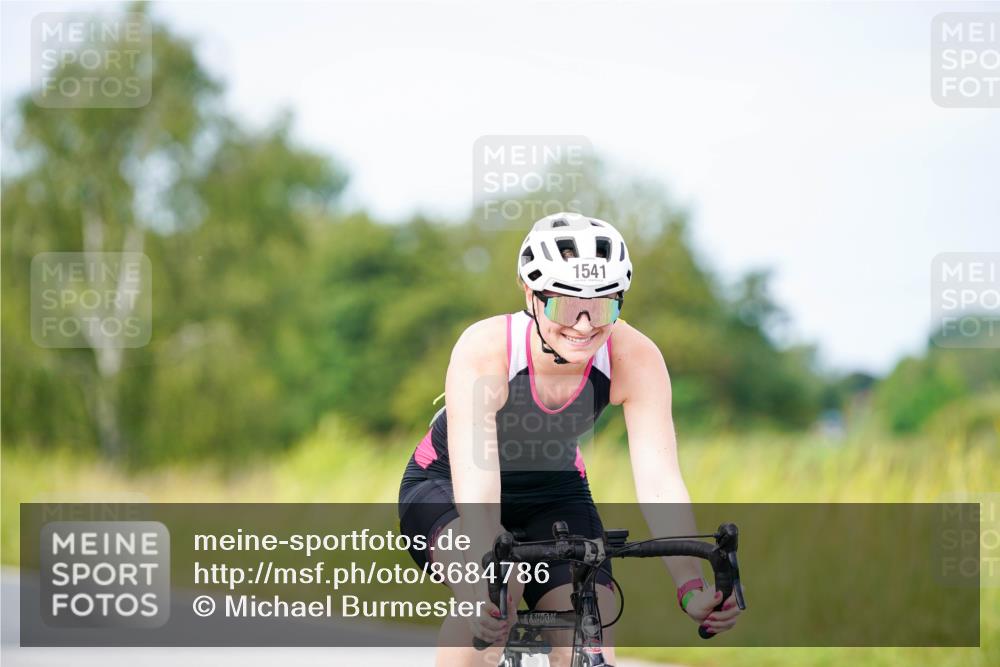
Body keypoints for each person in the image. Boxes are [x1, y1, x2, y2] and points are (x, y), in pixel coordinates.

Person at [398, 212, 741, 665]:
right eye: (565, 306)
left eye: (601, 307)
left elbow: (659, 480)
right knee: (497, 593)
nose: (583, 326)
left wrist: (690, 585)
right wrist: (483, 582)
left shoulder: (635, 356)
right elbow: (477, 486)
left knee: (588, 628)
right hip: (447, 484)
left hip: (554, 493)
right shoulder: (485, 349)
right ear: (530, 294)